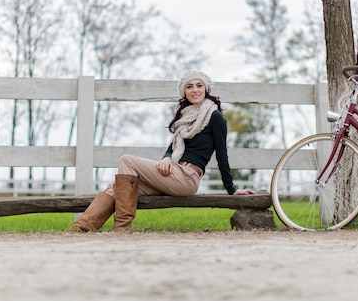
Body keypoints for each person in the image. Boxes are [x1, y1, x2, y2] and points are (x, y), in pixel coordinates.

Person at [65, 70, 256, 232]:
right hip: (173, 172)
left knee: (127, 160)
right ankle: (80, 229)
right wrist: (166, 158)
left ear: (206, 88)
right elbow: (173, 147)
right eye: (190, 86)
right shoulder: (185, 117)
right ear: (184, 91)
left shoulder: (215, 117)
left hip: (187, 177)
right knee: (114, 187)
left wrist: (231, 190)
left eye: (199, 85)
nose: (195, 90)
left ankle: (121, 229)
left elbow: (222, 155)